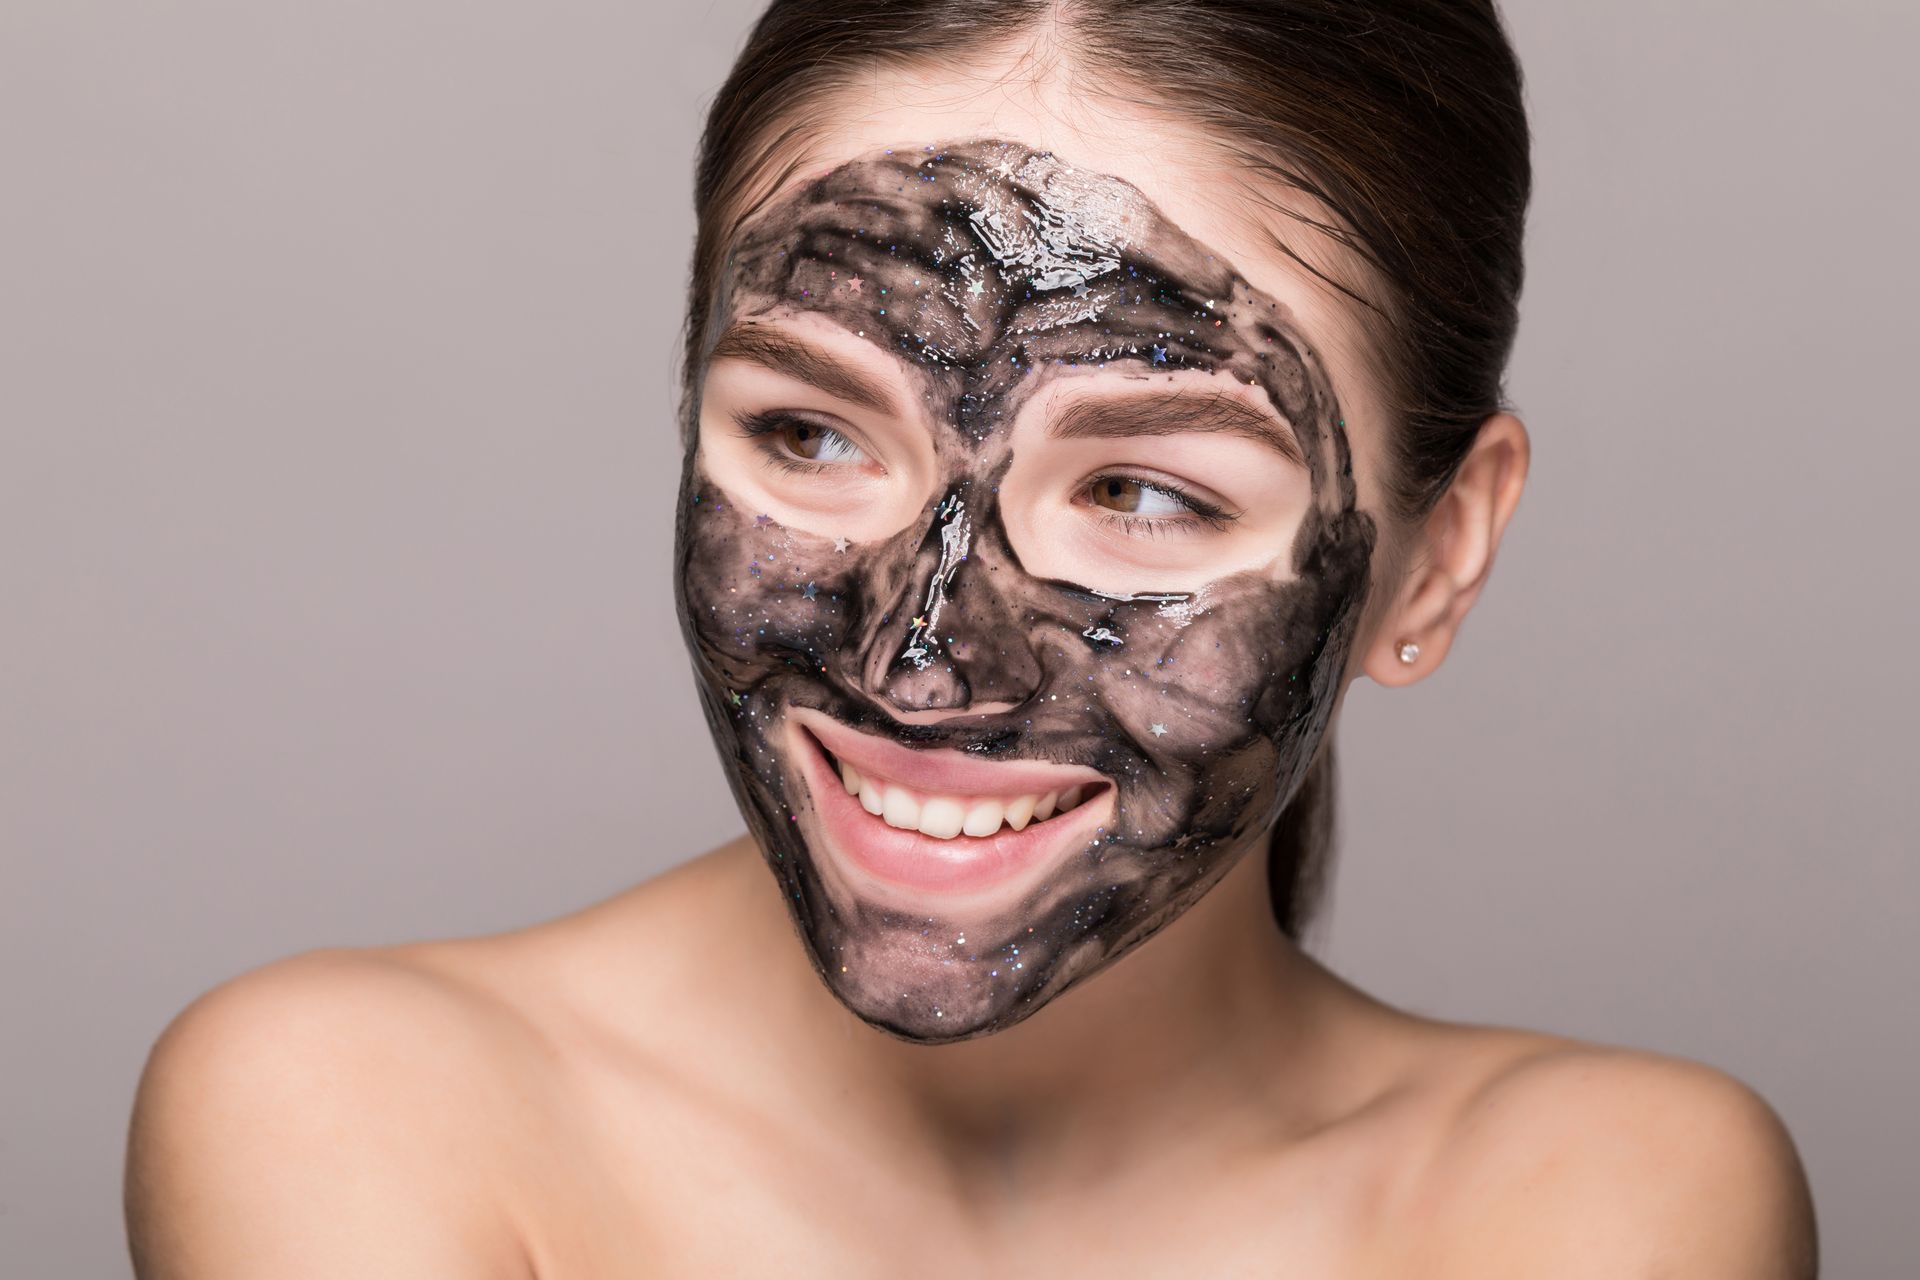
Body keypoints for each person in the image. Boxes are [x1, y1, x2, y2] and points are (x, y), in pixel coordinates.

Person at [125, 2, 1818, 1274]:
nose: (920, 657)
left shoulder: (1604, 1205)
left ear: (1436, 558)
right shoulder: (355, 1117)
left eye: (1147, 493)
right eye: (811, 434)